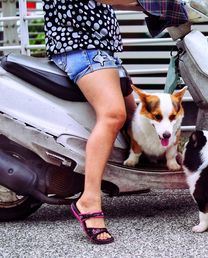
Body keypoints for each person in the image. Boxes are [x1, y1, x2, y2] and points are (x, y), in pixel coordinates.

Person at [43, 0, 144, 245]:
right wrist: (152, 4)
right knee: (113, 114)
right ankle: (89, 200)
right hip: (80, 46)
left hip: (99, 49)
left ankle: (140, 172)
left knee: (139, 115)